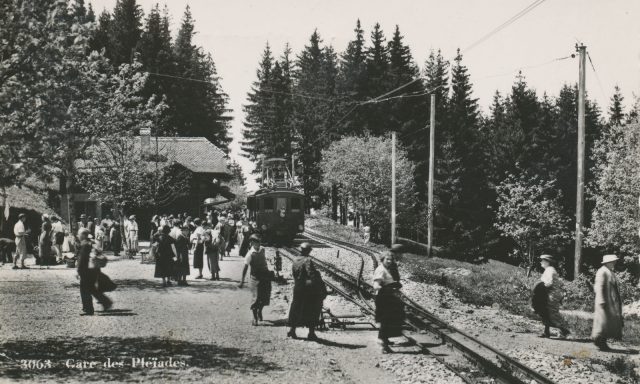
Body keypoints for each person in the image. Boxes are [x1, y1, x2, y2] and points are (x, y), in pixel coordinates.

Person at [287, 243, 326, 340]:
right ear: (308, 251)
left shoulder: (295, 259)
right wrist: (318, 281)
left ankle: (292, 330)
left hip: (298, 287)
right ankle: (311, 333)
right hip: (307, 288)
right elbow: (311, 275)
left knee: (296, 308)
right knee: (312, 309)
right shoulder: (308, 260)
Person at [373, 252, 405, 353]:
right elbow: (376, 285)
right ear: (382, 259)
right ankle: (382, 344)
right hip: (384, 298)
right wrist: (388, 289)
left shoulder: (387, 269)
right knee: (386, 320)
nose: (389, 261)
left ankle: (385, 340)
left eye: (391, 259)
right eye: (387, 259)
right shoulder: (381, 270)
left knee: (390, 319)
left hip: (388, 297)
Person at [76, 228, 112, 315]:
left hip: (86, 270)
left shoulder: (84, 244)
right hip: (94, 269)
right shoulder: (92, 242)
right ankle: (106, 302)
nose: (78, 236)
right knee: (91, 288)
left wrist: (78, 271)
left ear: (83, 235)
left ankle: (88, 309)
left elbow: (82, 260)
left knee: (84, 289)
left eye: (79, 234)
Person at [592, 254, 623, 351]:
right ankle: (599, 341)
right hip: (604, 301)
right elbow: (599, 286)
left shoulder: (610, 272)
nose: (614, 263)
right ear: (607, 262)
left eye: (614, 261)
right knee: (602, 322)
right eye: (613, 262)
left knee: (608, 322)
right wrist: (601, 299)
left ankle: (602, 341)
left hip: (610, 301)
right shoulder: (602, 271)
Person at [239, 234, 272, 325]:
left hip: (265, 276)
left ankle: (259, 311)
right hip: (255, 278)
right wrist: (242, 281)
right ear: (252, 243)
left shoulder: (263, 250)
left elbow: (267, 260)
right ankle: (254, 317)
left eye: (259, 242)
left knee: (265, 297)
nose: (258, 244)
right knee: (256, 298)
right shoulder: (250, 254)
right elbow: (245, 267)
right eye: (256, 242)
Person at [536, 255, 570, 338]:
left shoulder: (550, 270)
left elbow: (549, 283)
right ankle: (546, 332)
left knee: (552, 313)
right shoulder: (549, 270)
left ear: (547, 262)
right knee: (546, 312)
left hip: (552, 295)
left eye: (542, 260)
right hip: (550, 294)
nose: (541, 262)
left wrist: (542, 286)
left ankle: (565, 330)